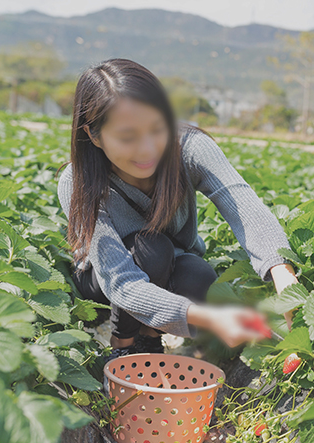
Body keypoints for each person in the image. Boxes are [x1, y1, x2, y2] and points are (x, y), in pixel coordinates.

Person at [56, 58, 299, 364]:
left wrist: (283, 274)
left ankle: (150, 336)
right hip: (104, 281)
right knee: (151, 250)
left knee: (199, 277)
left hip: (171, 262)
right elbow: (120, 281)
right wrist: (211, 320)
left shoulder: (189, 148)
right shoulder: (78, 181)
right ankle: (122, 342)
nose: (147, 150)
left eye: (158, 129)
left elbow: (244, 205)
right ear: (94, 135)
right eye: (128, 137)